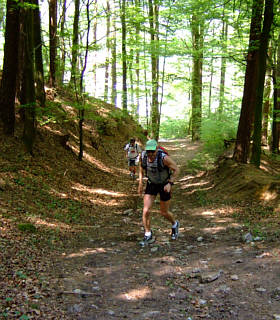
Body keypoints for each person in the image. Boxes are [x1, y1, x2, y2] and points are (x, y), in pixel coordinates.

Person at [138, 139, 180, 246]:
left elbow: (176, 169)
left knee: (164, 212)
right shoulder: (143, 157)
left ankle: (174, 224)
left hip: (164, 185)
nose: (150, 154)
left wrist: (170, 183)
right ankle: (148, 234)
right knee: (146, 210)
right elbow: (141, 169)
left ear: (157, 149)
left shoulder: (164, 158)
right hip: (151, 184)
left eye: (153, 151)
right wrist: (140, 183)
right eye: (148, 152)